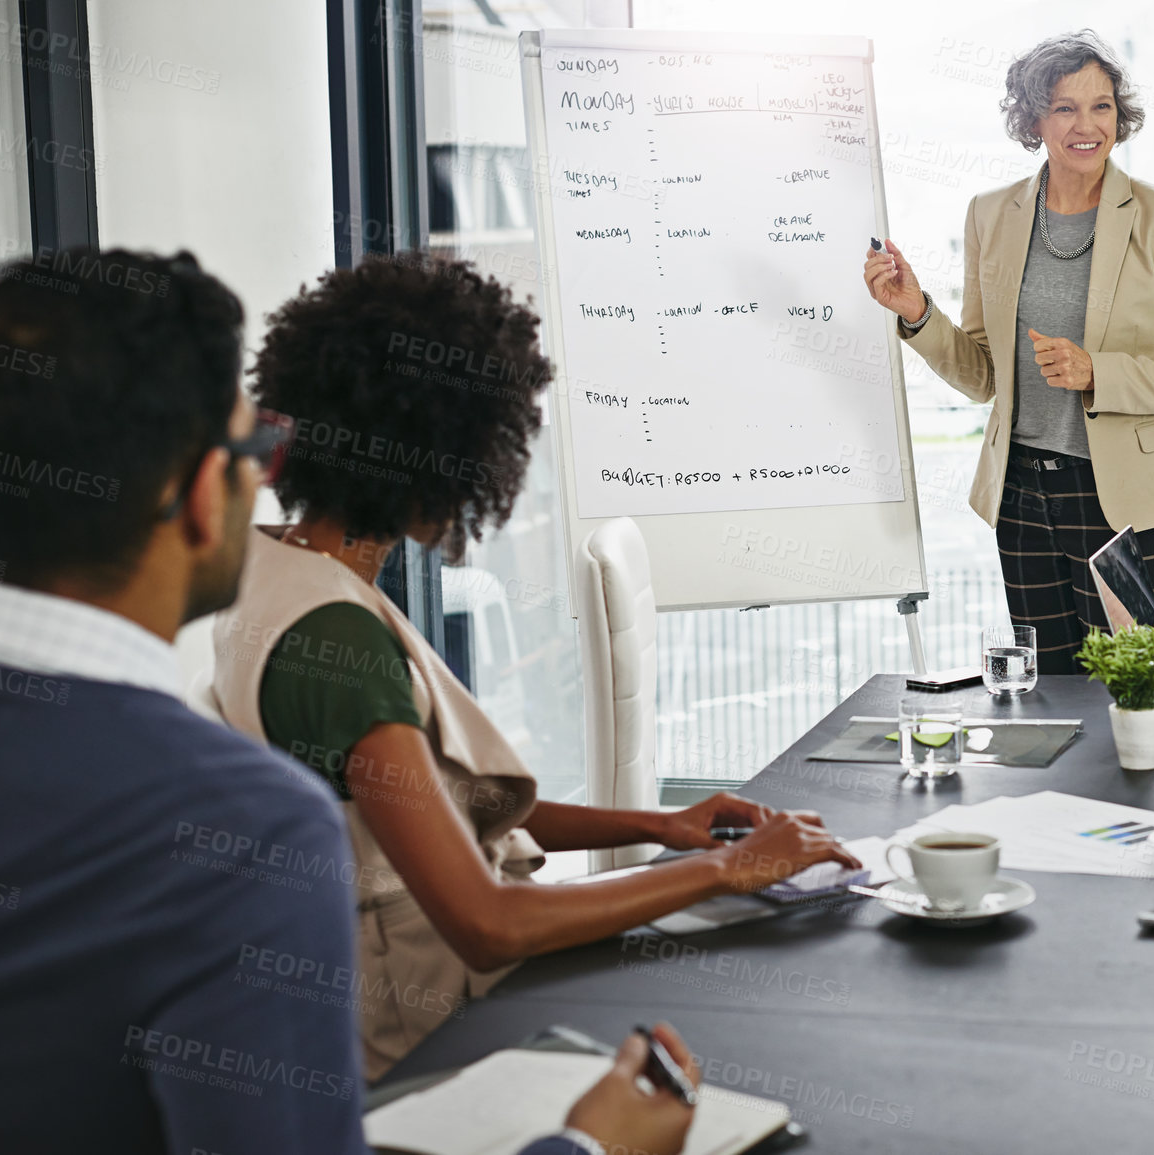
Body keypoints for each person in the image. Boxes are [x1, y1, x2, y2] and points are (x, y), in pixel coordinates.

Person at [0, 248, 697, 1155]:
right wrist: (593, 1150)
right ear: (203, 493)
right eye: (256, 449)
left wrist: (665, 829)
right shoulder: (250, 825)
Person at [211, 254, 859, 1079]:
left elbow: (433, 805)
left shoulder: (273, 577)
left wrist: (660, 826)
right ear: (437, 451)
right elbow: (489, 922)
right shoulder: (336, 644)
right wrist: (733, 866)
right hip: (425, 1037)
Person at [862, 30, 1154, 674]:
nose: (1086, 125)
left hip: (1125, 504)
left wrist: (1100, 373)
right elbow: (984, 376)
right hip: (1023, 497)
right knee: (1055, 702)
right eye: (1065, 107)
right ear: (1033, 119)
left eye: (1102, 106)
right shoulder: (990, 214)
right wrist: (918, 315)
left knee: (1133, 693)